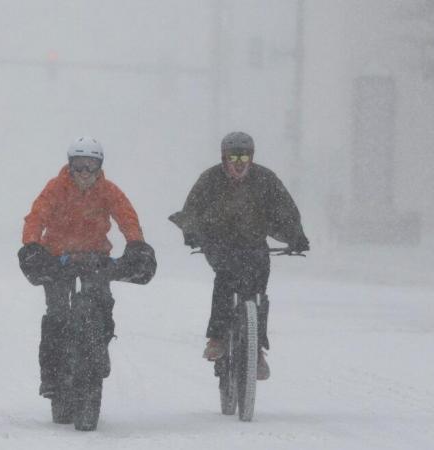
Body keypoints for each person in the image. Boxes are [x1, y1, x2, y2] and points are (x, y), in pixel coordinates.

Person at [18, 136, 156, 398]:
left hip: (94, 257)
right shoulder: (56, 188)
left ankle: (99, 348)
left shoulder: (108, 190)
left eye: (90, 166)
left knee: (103, 303)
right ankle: (50, 375)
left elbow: (127, 216)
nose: (84, 172)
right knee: (56, 314)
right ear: (70, 166)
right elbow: (36, 217)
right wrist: (32, 245)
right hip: (58, 258)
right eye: (79, 166)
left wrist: (136, 242)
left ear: (99, 167)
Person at [169, 131, 309, 380]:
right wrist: (191, 232)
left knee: (259, 289)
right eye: (233, 156)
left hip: (254, 243)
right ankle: (217, 337)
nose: (239, 162)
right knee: (225, 277)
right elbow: (192, 210)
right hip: (218, 243)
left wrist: (296, 236)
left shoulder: (266, 179)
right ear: (224, 158)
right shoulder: (210, 179)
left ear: (252, 157)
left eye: (244, 156)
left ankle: (257, 348)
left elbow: (285, 210)